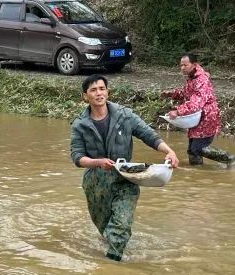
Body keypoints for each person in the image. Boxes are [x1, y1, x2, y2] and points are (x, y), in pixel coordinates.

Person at [70, 75, 179, 262]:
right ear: (85, 96)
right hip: (95, 183)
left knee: (121, 225)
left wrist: (168, 151)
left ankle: (112, 265)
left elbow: (148, 135)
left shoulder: (125, 115)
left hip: (125, 179)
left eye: (102, 88)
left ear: (107, 91)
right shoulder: (80, 124)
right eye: (93, 90)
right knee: (105, 229)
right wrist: (98, 162)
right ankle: (112, 255)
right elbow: (78, 157)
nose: (99, 93)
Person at [162, 53, 234, 166]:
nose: (182, 68)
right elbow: (187, 94)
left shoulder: (201, 80)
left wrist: (178, 111)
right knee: (192, 150)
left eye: (185, 65)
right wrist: (172, 93)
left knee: (198, 149)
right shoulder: (192, 78)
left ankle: (230, 159)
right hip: (197, 118)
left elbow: (196, 103)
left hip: (207, 118)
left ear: (194, 64)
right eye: (181, 65)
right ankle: (197, 173)